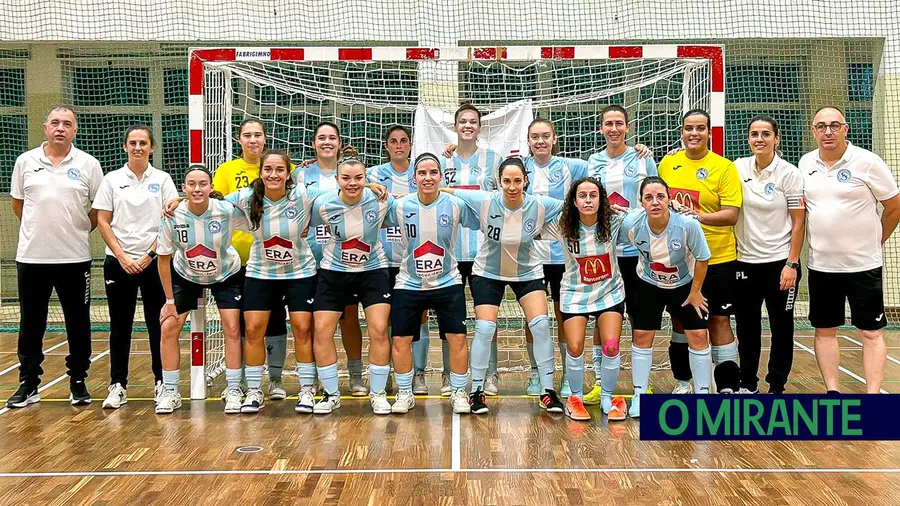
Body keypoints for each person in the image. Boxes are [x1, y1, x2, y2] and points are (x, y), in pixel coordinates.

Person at [442, 157, 564, 414]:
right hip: (488, 272)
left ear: (525, 181)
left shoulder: (540, 205)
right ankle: (476, 391)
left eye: (517, 180)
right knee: (485, 328)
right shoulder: (485, 200)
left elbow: (576, 206)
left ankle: (547, 389)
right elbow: (448, 191)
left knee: (541, 325)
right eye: (506, 181)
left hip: (527, 272)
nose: (512, 186)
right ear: (499, 182)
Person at [6, 105, 103, 409]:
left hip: (74, 259)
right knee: (31, 323)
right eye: (55, 123)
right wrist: (40, 230)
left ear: (75, 130)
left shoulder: (88, 164)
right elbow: (18, 204)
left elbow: (100, 209)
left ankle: (77, 381)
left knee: (78, 323)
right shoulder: (25, 162)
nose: (61, 128)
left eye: (67, 124)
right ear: (45, 127)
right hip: (32, 258)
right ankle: (29, 384)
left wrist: (74, 230)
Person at [800, 106, 900, 393]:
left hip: (863, 266)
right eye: (821, 126)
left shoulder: (868, 162)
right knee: (824, 330)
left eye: (834, 125)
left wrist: (876, 240)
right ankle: (832, 391)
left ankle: (872, 397)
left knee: (870, 332)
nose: (827, 132)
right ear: (813, 131)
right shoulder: (806, 162)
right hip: (821, 266)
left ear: (845, 129)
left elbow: (894, 207)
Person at [384, 153, 479, 413]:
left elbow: (486, 209)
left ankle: (459, 391)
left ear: (440, 176)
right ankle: (405, 392)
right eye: (422, 173)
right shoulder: (399, 206)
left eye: (433, 172)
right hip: (409, 283)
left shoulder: (455, 204)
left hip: (447, 281)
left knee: (457, 337)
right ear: (414, 178)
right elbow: (369, 208)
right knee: (401, 339)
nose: (428, 178)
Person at [658, 109, 742, 393]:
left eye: (700, 128)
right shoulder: (668, 164)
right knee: (682, 321)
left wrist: (696, 217)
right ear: (681, 132)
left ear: (709, 132)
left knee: (719, 318)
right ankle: (683, 382)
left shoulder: (724, 168)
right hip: (680, 260)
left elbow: (731, 215)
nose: (694, 133)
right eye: (689, 128)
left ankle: (728, 384)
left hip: (718, 257)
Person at [94, 124, 178, 409]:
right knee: (120, 326)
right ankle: (117, 385)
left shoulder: (163, 179)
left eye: (143, 143)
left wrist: (150, 255)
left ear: (152, 147)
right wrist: (122, 256)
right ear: (125, 146)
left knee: (159, 324)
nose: (138, 147)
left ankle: (161, 383)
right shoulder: (112, 179)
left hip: (154, 262)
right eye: (133, 142)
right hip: (120, 263)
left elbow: (171, 218)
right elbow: (103, 221)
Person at [155, 165, 247, 414]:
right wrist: (169, 300)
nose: (197, 188)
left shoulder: (226, 211)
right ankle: (171, 391)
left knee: (232, 326)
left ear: (211, 187)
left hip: (225, 273)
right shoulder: (172, 215)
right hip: (186, 274)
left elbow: (257, 221)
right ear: (183, 188)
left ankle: (233, 389)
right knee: (169, 325)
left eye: (202, 184)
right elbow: (162, 257)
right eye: (191, 184)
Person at [308, 148, 394, 414]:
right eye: (346, 178)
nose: (353, 183)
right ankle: (331, 394)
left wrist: (370, 185)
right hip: (334, 272)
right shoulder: (322, 203)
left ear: (366, 177)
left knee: (379, 329)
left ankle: (378, 393)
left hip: (373, 271)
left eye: (359, 178)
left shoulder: (381, 200)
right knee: (322, 330)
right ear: (336, 179)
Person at [618, 177, 711, 417]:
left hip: (685, 284)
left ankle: (702, 395)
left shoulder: (688, 224)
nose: (655, 202)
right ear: (641, 203)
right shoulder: (631, 224)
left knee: (699, 335)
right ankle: (639, 394)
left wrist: (696, 292)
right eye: (649, 198)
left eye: (660, 196)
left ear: (670, 199)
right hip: (649, 283)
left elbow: (703, 258)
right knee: (641, 334)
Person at [213, 119, 290, 400]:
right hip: (235, 262)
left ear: (265, 139)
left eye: (258, 135)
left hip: (275, 262)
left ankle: (276, 379)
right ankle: (243, 378)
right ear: (239, 139)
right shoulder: (226, 170)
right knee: (246, 323)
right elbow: (212, 203)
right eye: (247, 135)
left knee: (275, 320)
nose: (253, 140)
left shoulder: (282, 169)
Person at [586, 104, 657, 407]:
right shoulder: (593, 162)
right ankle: (601, 385)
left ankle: (642, 387)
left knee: (640, 320)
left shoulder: (643, 158)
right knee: (603, 320)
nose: (613, 129)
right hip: (605, 252)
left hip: (640, 252)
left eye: (618, 124)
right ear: (601, 128)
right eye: (608, 124)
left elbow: (657, 197)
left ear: (628, 127)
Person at [542, 177, 628, 421]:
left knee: (610, 346)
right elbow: (531, 219)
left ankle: (607, 398)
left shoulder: (616, 221)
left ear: (602, 200)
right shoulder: (562, 225)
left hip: (609, 292)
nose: (588, 200)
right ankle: (575, 398)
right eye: (583, 196)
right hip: (574, 294)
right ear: (574, 201)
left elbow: (645, 220)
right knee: (575, 346)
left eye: (593, 195)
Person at [733, 115, 805, 394]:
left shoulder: (789, 173)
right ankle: (747, 383)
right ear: (748, 138)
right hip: (745, 263)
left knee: (781, 327)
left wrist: (792, 263)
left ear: (776, 138)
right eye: (754, 134)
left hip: (780, 264)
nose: (759, 139)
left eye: (765, 134)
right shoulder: (738, 168)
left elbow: (799, 222)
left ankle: (777, 384)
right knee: (747, 328)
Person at [294, 122, 367, 396]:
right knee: (314, 322)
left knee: (349, 318)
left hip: (344, 258)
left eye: (332, 138)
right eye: (321, 138)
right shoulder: (300, 173)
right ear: (314, 143)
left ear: (339, 142)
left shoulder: (352, 173)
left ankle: (356, 375)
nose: (327, 142)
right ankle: (312, 377)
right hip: (309, 257)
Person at [367, 125, 437, 396]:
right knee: (381, 321)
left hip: (415, 258)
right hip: (383, 259)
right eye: (393, 141)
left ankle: (418, 373)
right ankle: (383, 373)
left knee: (418, 318)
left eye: (403, 141)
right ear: (386, 146)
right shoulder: (374, 175)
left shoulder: (421, 174)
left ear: (410, 145)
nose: (398, 145)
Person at [439, 103, 504, 396]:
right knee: (448, 317)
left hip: (483, 249)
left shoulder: (494, 159)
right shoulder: (443, 162)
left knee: (485, 318)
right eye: (462, 121)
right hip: (449, 250)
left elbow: (501, 200)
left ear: (480, 127)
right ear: (455, 126)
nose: (467, 125)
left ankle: (490, 375)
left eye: (473, 121)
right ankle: (447, 374)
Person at [521, 118, 588, 397]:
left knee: (564, 316)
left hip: (564, 257)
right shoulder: (520, 169)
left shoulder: (573, 167)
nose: (540, 141)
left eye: (545, 136)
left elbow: (601, 174)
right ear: (528, 141)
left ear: (554, 138)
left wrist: (640, 150)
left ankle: (564, 374)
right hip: (530, 256)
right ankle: (536, 373)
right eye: (535, 137)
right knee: (532, 319)